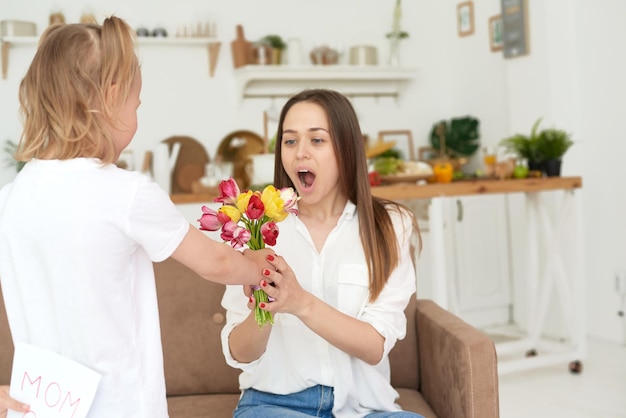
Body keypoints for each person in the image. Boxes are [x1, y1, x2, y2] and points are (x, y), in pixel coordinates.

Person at [0, 17, 272, 418]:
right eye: (136, 103)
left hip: (41, 404)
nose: (137, 114)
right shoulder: (125, 193)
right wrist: (258, 270)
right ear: (110, 98)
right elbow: (214, 261)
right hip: (119, 405)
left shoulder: (11, 198)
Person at [220, 89, 423, 417]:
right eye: (290, 141)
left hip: (364, 409)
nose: (301, 153)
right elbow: (239, 352)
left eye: (317, 140)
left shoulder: (390, 225)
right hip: (273, 405)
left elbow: (374, 346)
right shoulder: (254, 229)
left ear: (346, 148)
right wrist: (265, 307)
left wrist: (298, 301)